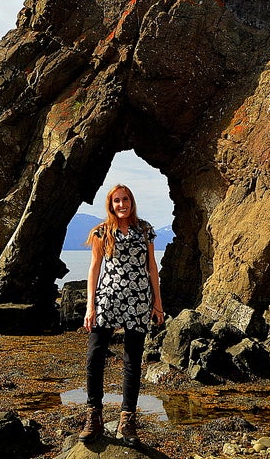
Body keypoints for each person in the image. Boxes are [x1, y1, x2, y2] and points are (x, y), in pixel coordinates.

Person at [78, 184, 165, 445]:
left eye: (125, 199)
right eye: (116, 200)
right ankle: (94, 416)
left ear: (131, 201)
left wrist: (158, 304)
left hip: (139, 300)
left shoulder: (145, 230)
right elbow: (94, 269)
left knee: (132, 360)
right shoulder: (101, 232)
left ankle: (127, 421)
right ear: (110, 204)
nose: (121, 204)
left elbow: (152, 267)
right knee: (95, 355)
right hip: (108, 298)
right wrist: (89, 306)